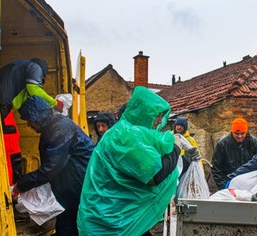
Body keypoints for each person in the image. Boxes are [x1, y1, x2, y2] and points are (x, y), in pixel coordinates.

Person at [77, 86, 181, 235]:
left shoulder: (128, 133)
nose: (159, 121)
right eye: (157, 115)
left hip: (117, 217)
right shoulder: (123, 137)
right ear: (143, 113)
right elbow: (154, 176)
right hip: (109, 222)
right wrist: (175, 149)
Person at [12, 96, 94, 236]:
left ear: (37, 116)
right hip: (74, 183)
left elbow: (50, 169)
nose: (28, 125)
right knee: (68, 222)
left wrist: (21, 185)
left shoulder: (60, 129)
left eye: (29, 120)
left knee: (68, 224)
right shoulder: (54, 127)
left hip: (78, 184)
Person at [0, 58, 65, 184]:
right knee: (11, 147)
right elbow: (34, 90)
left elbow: (20, 99)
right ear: (43, 76)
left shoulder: (16, 68)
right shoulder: (35, 67)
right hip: (3, 106)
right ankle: (11, 185)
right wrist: (55, 103)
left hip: (1, 106)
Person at [211, 117, 257, 189]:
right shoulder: (222, 144)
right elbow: (216, 168)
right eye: (237, 133)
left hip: (249, 183)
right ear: (232, 131)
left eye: (242, 133)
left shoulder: (254, 143)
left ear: (246, 132)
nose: (240, 136)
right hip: (229, 183)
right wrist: (223, 186)